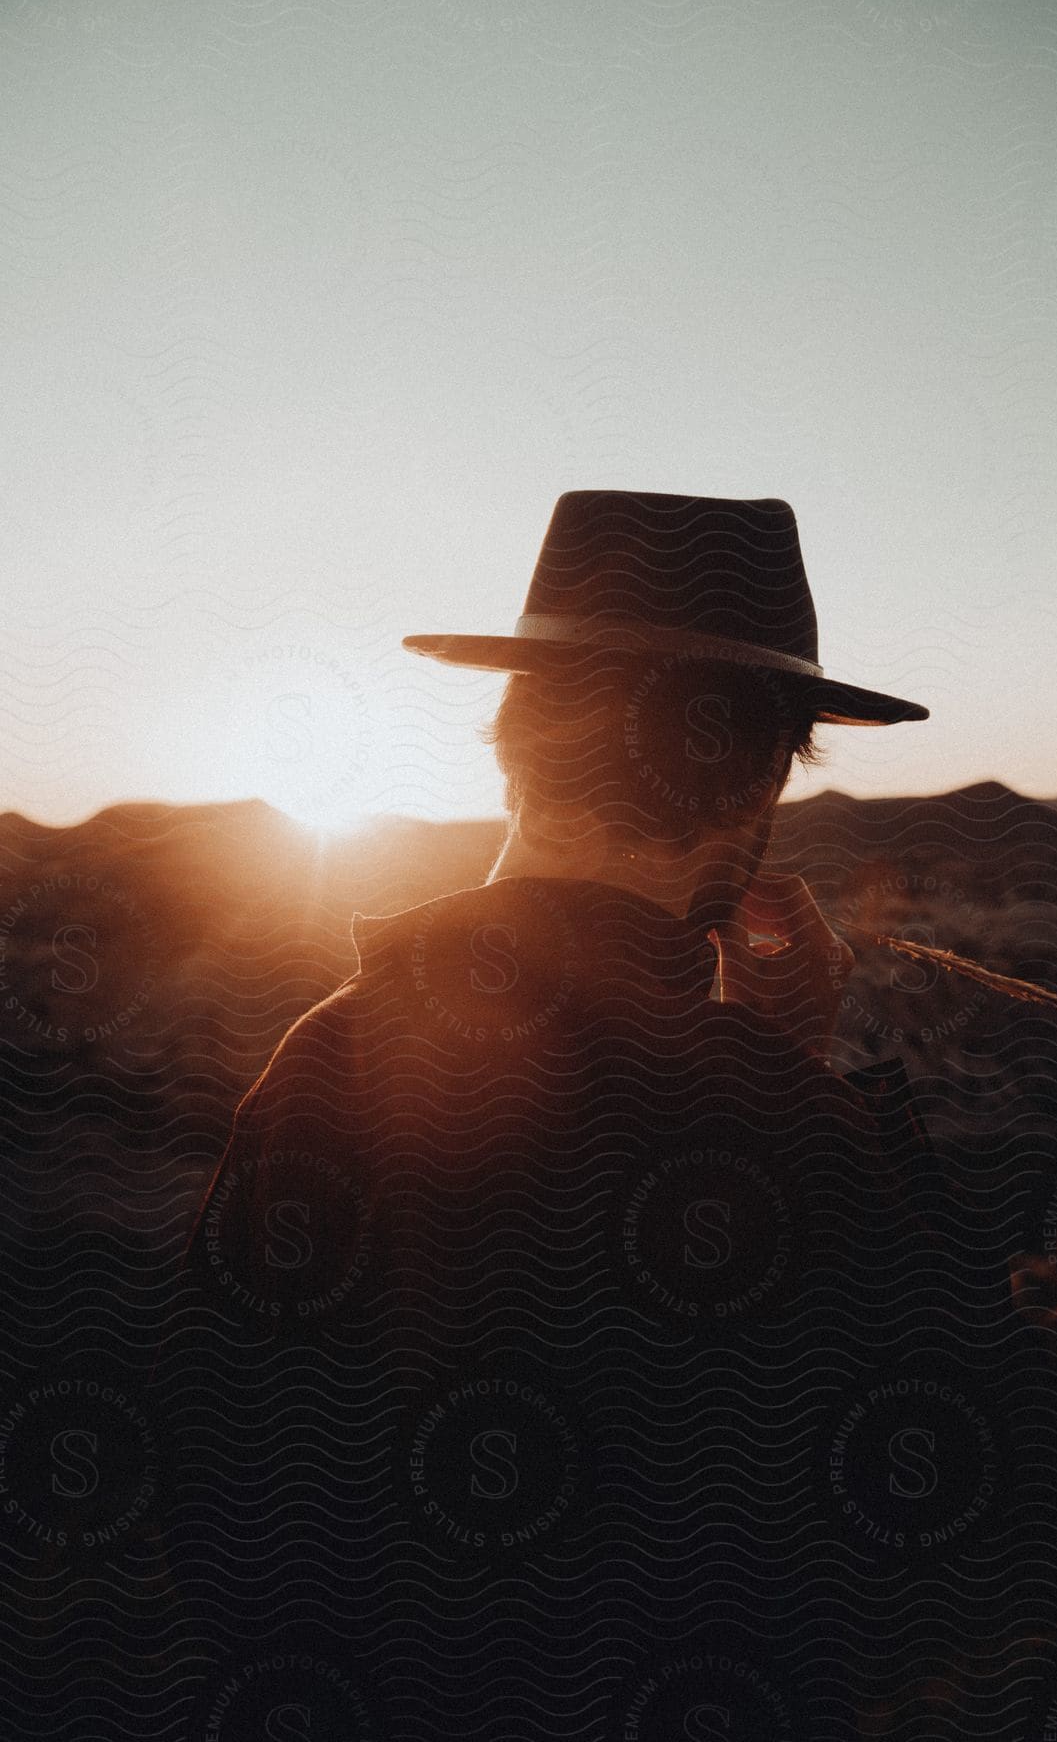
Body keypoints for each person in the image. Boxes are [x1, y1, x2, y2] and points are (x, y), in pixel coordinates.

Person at [169, 491, 952, 1735]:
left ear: (513, 742)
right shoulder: (780, 1119)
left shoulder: (323, 1058)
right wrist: (805, 1066)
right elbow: (1008, 1508)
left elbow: (206, 1507)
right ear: (758, 783)